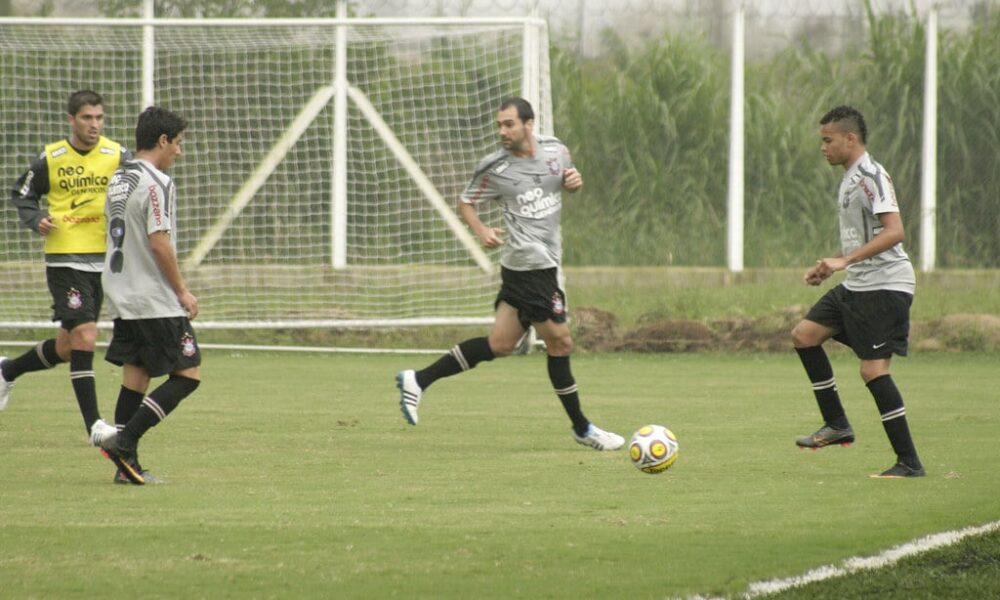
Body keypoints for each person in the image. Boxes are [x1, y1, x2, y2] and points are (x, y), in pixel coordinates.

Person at [396, 97, 624, 451]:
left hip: (540, 264)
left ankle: (418, 380)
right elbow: (465, 201)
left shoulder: (556, 151)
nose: (502, 131)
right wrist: (481, 231)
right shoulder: (495, 168)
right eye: (499, 125)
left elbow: (566, 178)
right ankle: (583, 428)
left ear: (528, 124)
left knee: (500, 345)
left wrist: (573, 183)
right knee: (561, 342)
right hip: (529, 266)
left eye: (509, 124)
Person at [792, 105, 924, 479]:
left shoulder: (871, 175)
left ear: (850, 138)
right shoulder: (850, 178)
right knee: (804, 335)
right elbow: (863, 239)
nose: (823, 147)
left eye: (827, 140)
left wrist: (843, 262)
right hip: (857, 285)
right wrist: (832, 263)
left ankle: (909, 462)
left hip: (885, 287)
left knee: (873, 371)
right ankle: (836, 424)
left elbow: (895, 232)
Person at [2, 90, 128, 446]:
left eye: (99, 118)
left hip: (101, 260)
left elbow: (136, 186)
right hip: (64, 259)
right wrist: (36, 218)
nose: (94, 125)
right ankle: (95, 427)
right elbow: (22, 193)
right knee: (86, 335)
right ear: (71, 119)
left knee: (68, 347)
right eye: (87, 118)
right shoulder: (52, 156)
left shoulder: (116, 155)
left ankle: (6, 370)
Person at [96, 106, 200, 485]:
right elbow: (159, 242)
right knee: (187, 374)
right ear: (162, 141)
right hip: (152, 296)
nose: (179, 151)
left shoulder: (119, 177)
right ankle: (124, 440)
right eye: (178, 143)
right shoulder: (157, 182)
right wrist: (183, 291)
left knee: (135, 377)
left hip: (122, 291)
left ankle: (126, 469)